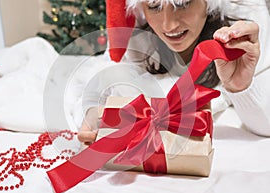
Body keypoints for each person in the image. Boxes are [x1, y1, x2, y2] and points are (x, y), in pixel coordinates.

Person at [77, 0, 270, 145]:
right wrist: (92, 112)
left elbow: (265, 127)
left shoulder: (245, 33)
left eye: (182, 3)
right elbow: (100, 84)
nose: (169, 25)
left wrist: (241, 88)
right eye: (154, 6)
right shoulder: (132, 36)